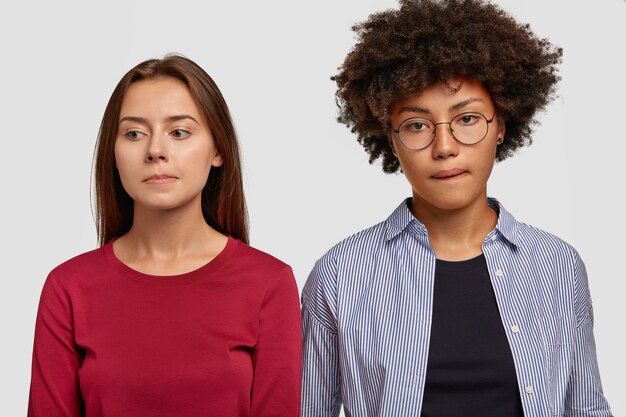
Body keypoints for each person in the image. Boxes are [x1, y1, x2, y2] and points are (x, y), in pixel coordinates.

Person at [301, 1, 612, 416]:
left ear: (500, 125)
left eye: (467, 119)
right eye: (416, 125)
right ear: (389, 138)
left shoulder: (558, 266)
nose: (444, 147)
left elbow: (586, 409)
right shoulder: (338, 276)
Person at [28, 54, 301, 417]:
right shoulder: (68, 288)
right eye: (134, 133)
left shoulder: (269, 284)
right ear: (113, 153)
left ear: (218, 149)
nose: (156, 151)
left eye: (179, 132)